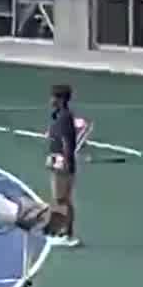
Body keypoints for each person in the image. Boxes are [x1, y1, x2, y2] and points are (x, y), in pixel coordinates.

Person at [45, 84, 80, 248]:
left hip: (62, 163)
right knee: (63, 199)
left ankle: (65, 233)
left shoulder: (64, 118)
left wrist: (65, 162)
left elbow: (66, 142)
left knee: (61, 198)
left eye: (53, 97)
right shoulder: (60, 116)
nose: (50, 100)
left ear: (60, 99)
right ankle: (64, 232)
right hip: (58, 160)